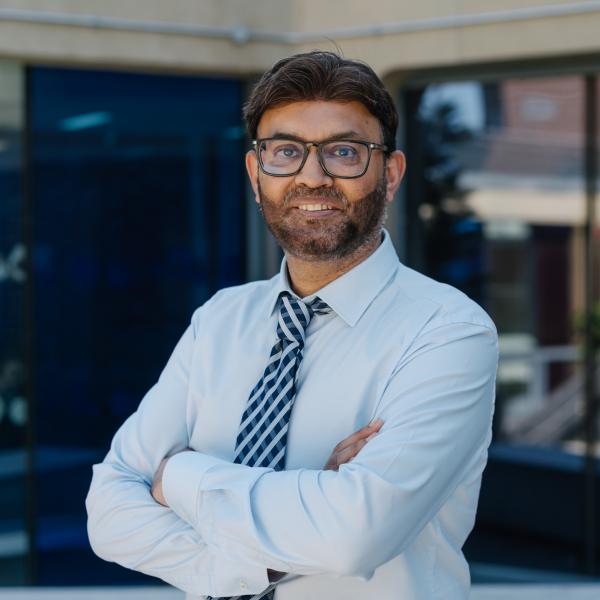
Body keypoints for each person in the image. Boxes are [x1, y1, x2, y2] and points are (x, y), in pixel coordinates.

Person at [86, 51, 498, 600]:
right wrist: (266, 556)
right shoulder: (220, 320)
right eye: (285, 152)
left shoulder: (449, 332)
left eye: (345, 152)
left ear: (391, 173)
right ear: (257, 175)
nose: (312, 177)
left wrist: (179, 478)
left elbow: (355, 537)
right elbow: (109, 512)